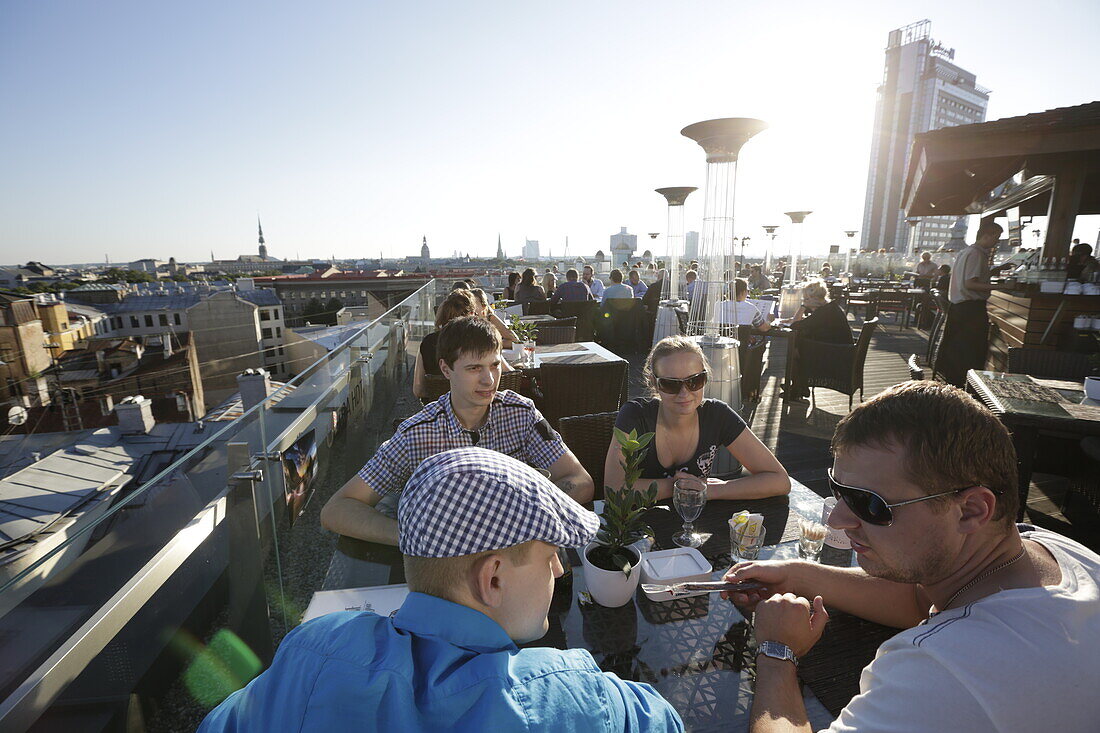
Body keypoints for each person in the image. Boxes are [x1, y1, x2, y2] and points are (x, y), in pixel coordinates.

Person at [203, 448, 684, 732]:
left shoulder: (316, 651)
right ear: (492, 578)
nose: (560, 569)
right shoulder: (568, 695)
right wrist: (766, 653)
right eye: (550, 553)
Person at [722, 381, 1100, 733]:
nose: (837, 518)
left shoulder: (948, 668)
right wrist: (798, 574)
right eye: (839, 490)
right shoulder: (1050, 548)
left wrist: (776, 653)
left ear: (971, 510)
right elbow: (921, 599)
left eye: (869, 503)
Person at [321, 316, 594, 544]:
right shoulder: (417, 434)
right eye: (474, 368)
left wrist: (522, 517)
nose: (489, 380)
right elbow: (337, 510)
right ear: (446, 369)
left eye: (495, 365)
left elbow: (579, 480)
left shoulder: (520, 413)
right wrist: (420, 537)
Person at [604, 336, 789, 499]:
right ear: (654, 383)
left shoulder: (717, 415)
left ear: (706, 378)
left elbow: (779, 481)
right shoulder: (635, 416)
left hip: (695, 522)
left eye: (694, 381)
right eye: (670, 384)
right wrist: (680, 487)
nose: (684, 393)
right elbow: (613, 490)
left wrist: (713, 490)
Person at [936, 221, 1011, 387]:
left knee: (958, 352)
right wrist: (1002, 286)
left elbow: (969, 279)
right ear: (987, 235)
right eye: (996, 238)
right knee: (969, 352)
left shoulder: (967, 251)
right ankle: (962, 388)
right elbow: (970, 284)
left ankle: (954, 386)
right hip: (970, 310)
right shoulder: (977, 254)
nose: (996, 242)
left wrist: (995, 271)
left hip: (960, 308)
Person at [784, 279, 851, 403]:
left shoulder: (823, 312)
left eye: (806, 299)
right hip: (842, 350)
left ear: (814, 298)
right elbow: (809, 324)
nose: (804, 301)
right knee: (798, 342)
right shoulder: (829, 308)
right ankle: (799, 385)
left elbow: (794, 325)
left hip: (836, 355)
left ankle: (798, 387)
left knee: (794, 349)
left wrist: (803, 307)